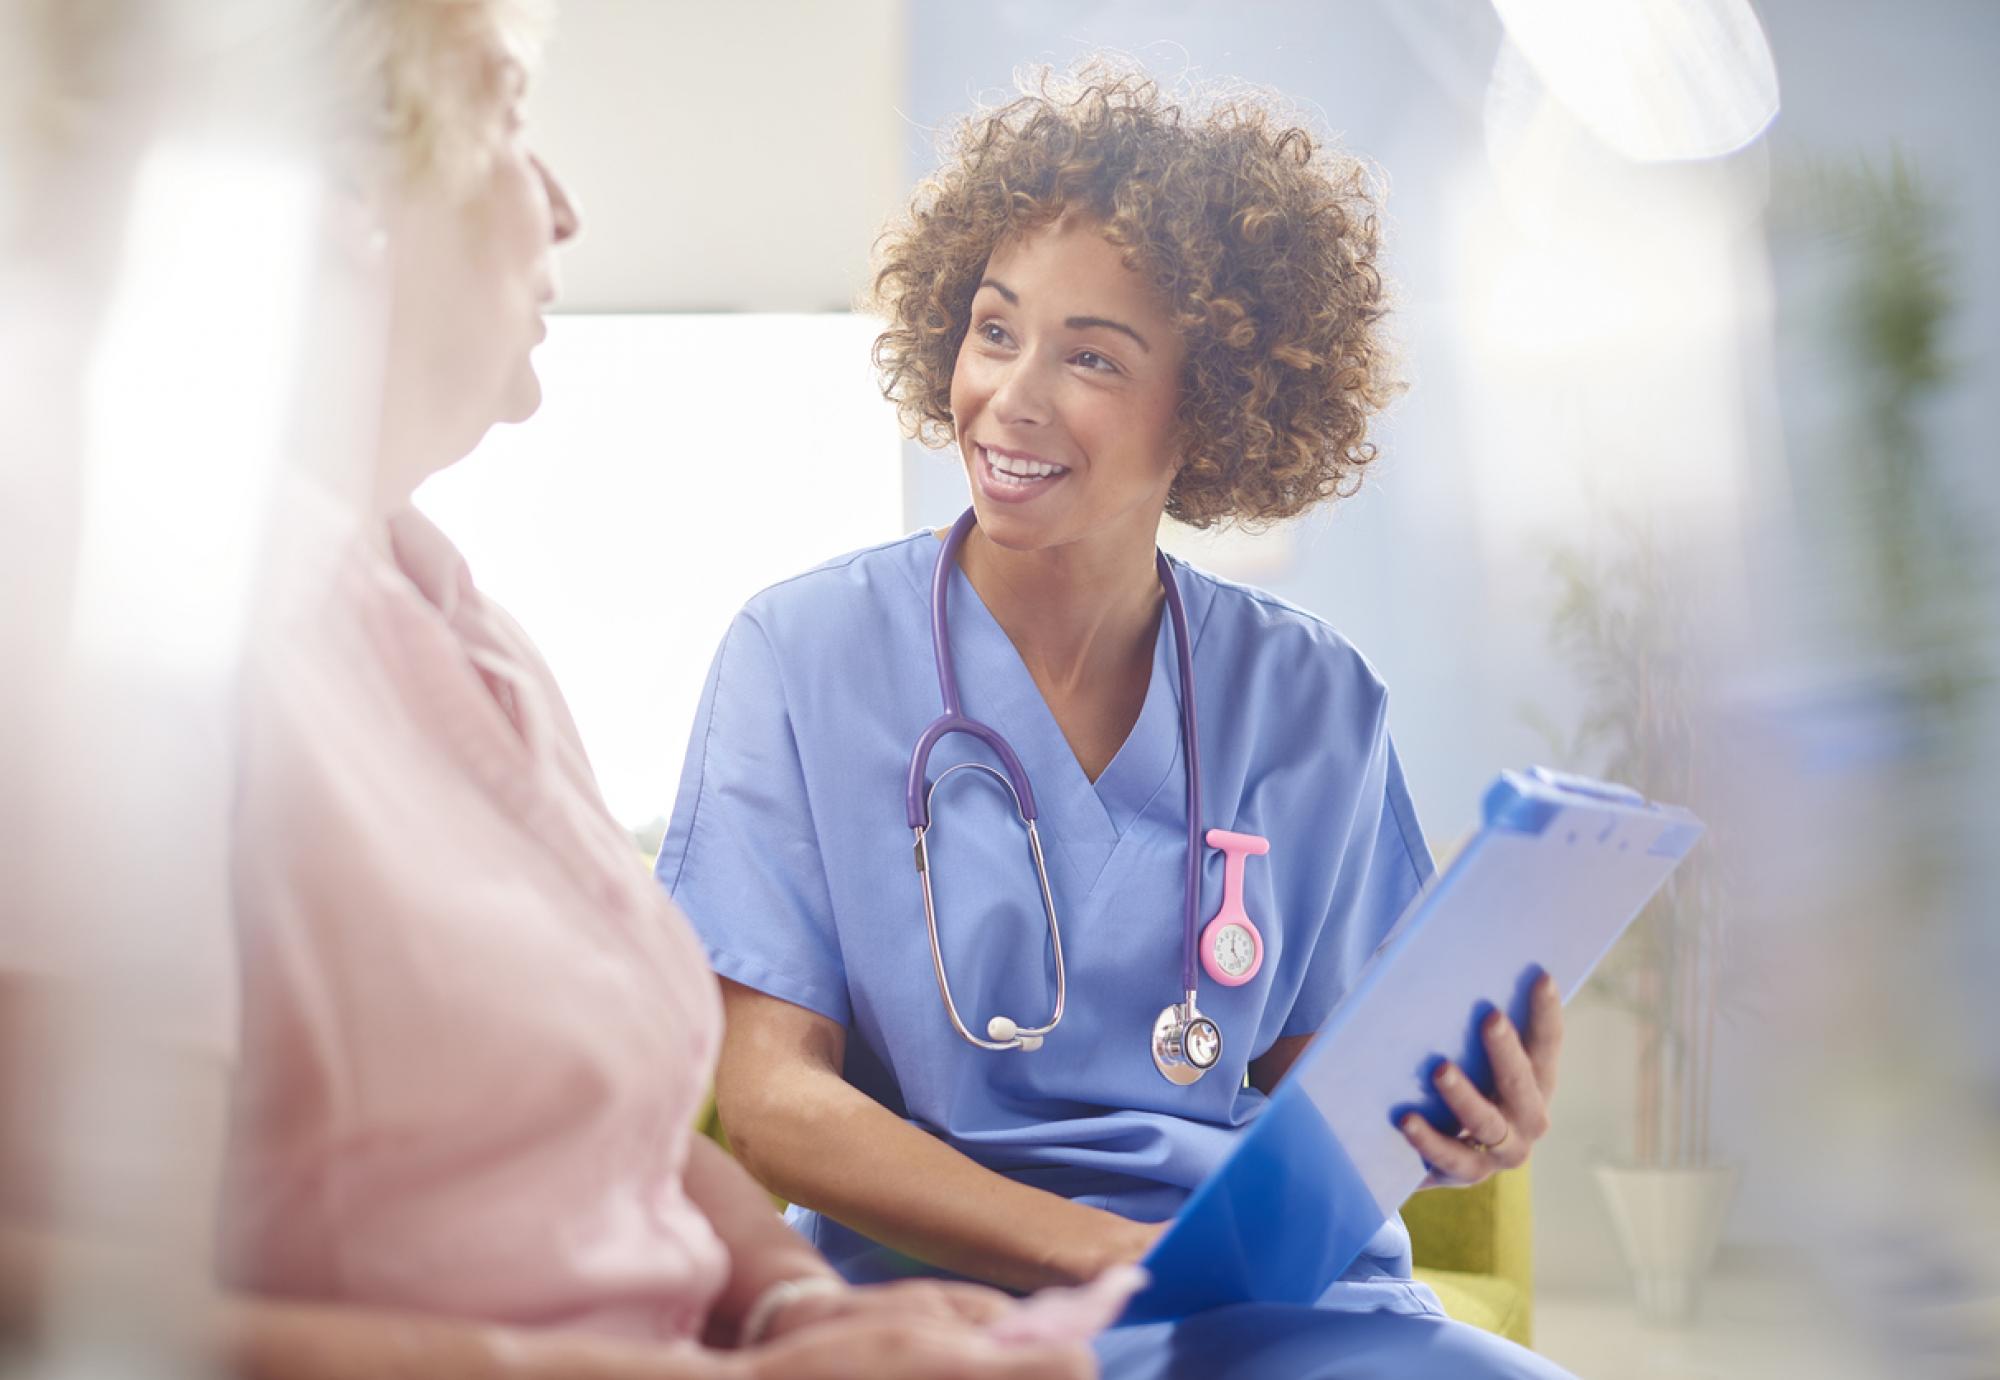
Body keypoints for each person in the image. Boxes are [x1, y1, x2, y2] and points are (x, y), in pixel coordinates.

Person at [0, 3, 1099, 1378]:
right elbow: (54, 1307)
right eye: (512, 122)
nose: (566, 207)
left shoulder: (454, 623)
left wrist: (792, 1305)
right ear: (333, 182)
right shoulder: (93, 607)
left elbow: (620, 1133)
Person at [659, 67, 1575, 1378]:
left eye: (1091, 355)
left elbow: (1345, 1101)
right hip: (957, 1306)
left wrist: (1463, 1118)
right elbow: (772, 1104)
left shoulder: (1312, 698)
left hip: (1275, 1309)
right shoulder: (803, 656)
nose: (1013, 398)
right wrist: (1100, 1250)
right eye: (994, 330)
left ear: (1209, 407)